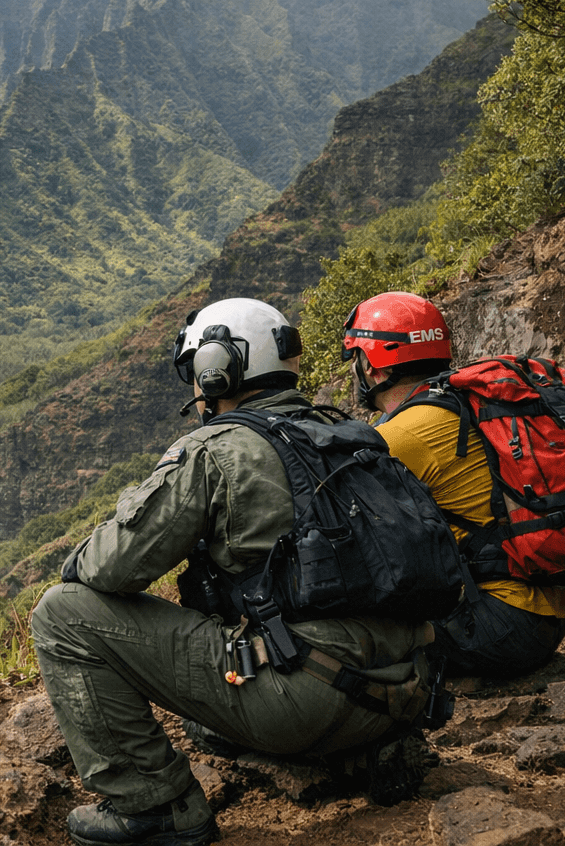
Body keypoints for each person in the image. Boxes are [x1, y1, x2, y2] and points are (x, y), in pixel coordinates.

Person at [32, 298, 438, 846]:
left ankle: (156, 807)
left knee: (62, 614)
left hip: (307, 700)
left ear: (216, 368)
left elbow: (109, 568)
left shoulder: (215, 449)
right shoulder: (348, 432)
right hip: (405, 693)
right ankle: (365, 751)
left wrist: (104, 531)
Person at [344, 291, 565, 679]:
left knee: (338, 632)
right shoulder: (466, 403)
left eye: (356, 359)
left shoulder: (402, 435)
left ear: (371, 366)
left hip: (498, 627)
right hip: (544, 614)